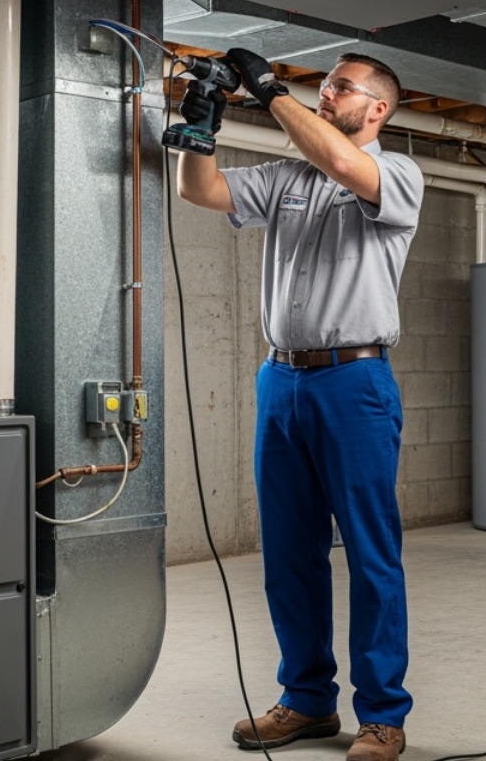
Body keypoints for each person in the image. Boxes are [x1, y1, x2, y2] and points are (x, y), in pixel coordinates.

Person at [175, 47, 423, 761]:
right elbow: (200, 191)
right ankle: (308, 700)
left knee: (371, 554)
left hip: (355, 381)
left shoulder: (397, 174)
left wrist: (268, 91)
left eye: (342, 86)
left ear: (378, 108)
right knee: (289, 551)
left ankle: (382, 715)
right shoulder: (288, 176)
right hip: (281, 379)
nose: (327, 93)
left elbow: (341, 161)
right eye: (326, 84)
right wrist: (202, 127)